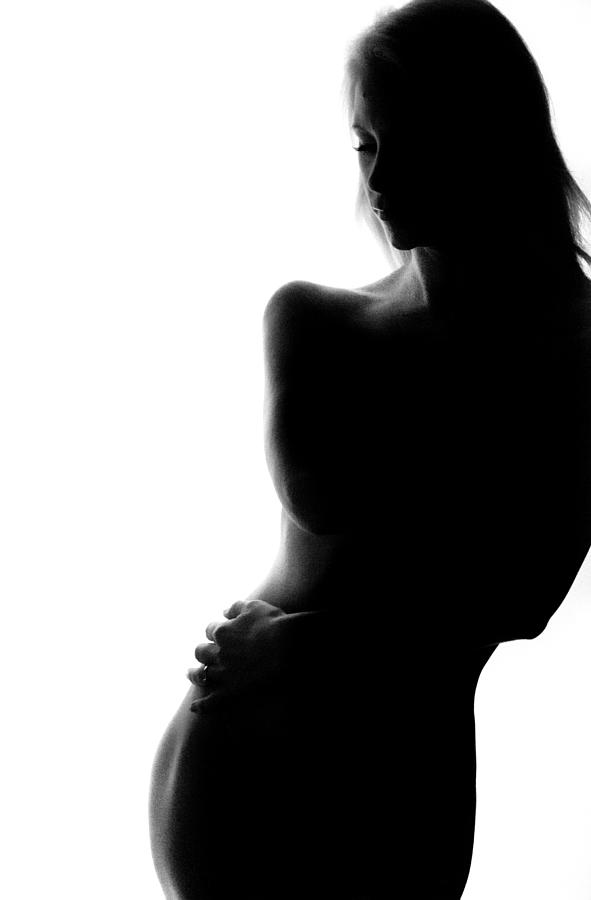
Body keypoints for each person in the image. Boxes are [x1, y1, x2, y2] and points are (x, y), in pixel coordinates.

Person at [149, 1, 591, 897]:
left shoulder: (579, 349)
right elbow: (359, 520)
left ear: (483, 141)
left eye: (409, 141)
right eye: (365, 144)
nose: (379, 176)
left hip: (394, 792)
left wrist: (300, 650)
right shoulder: (310, 320)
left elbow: (522, 597)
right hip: (237, 773)